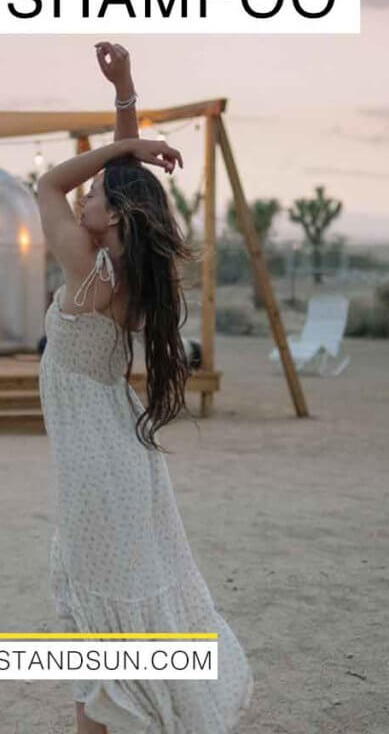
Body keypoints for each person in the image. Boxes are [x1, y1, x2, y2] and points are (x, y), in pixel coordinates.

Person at [37, 43, 254, 734]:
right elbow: (115, 186)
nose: (82, 197)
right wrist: (125, 94)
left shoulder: (88, 271)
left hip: (100, 469)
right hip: (114, 461)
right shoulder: (119, 268)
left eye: (93, 195)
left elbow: (45, 185)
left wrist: (124, 152)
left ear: (110, 216)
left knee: (98, 623)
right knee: (105, 619)